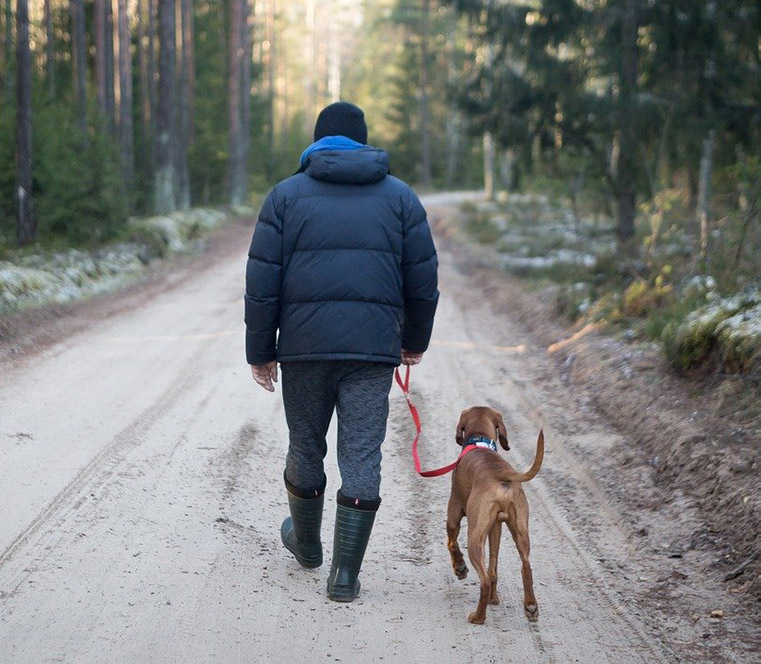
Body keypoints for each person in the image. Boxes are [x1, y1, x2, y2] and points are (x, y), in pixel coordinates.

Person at [244, 101, 438, 602]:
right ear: (364, 141)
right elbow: (423, 279)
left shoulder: (284, 197)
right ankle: (345, 576)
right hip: (371, 352)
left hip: (304, 349)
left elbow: (262, 284)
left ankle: (307, 545)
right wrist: (413, 340)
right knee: (361, 453)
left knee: (305, 443)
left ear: (316, 141)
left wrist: (261, 351)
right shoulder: (401, 198)